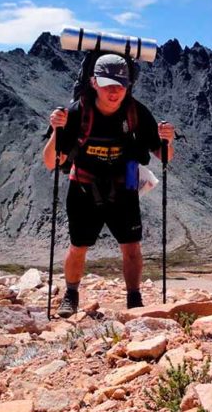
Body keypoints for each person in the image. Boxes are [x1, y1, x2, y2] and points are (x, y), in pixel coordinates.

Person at [43, 54, 175, 318]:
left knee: (131, 246)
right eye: (107, 85)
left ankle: (134, 300)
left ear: (128, 85)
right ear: (94, 83)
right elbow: (51, 162)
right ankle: (71, 295)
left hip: (124, 188)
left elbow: (164, 156)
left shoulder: (136, 112)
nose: (114, 92)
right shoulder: (75, 113)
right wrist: (56, 130)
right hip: (83, 188)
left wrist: (168, 141)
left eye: (120, 85)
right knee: (78, 246)